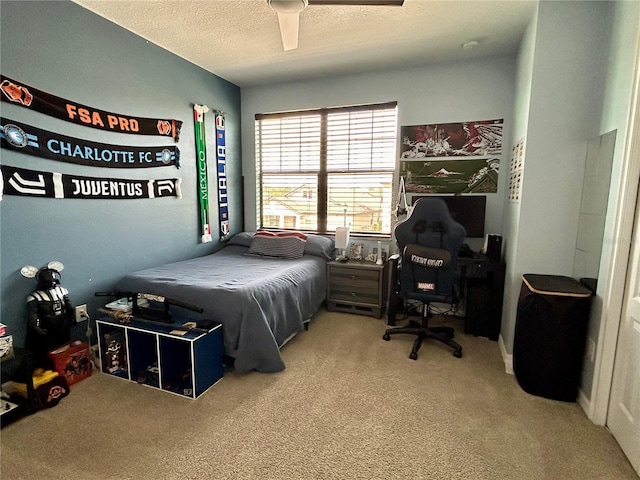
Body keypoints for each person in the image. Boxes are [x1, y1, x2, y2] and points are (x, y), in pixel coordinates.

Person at [22, 263, 74, 366]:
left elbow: (68, 307)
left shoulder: (62, 291)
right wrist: (36, 327)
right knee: (47, 350)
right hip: (47, 326)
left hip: (62, 324)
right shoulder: (35, 297)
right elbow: (33, 314)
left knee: (64, 345)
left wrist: (71, 318)